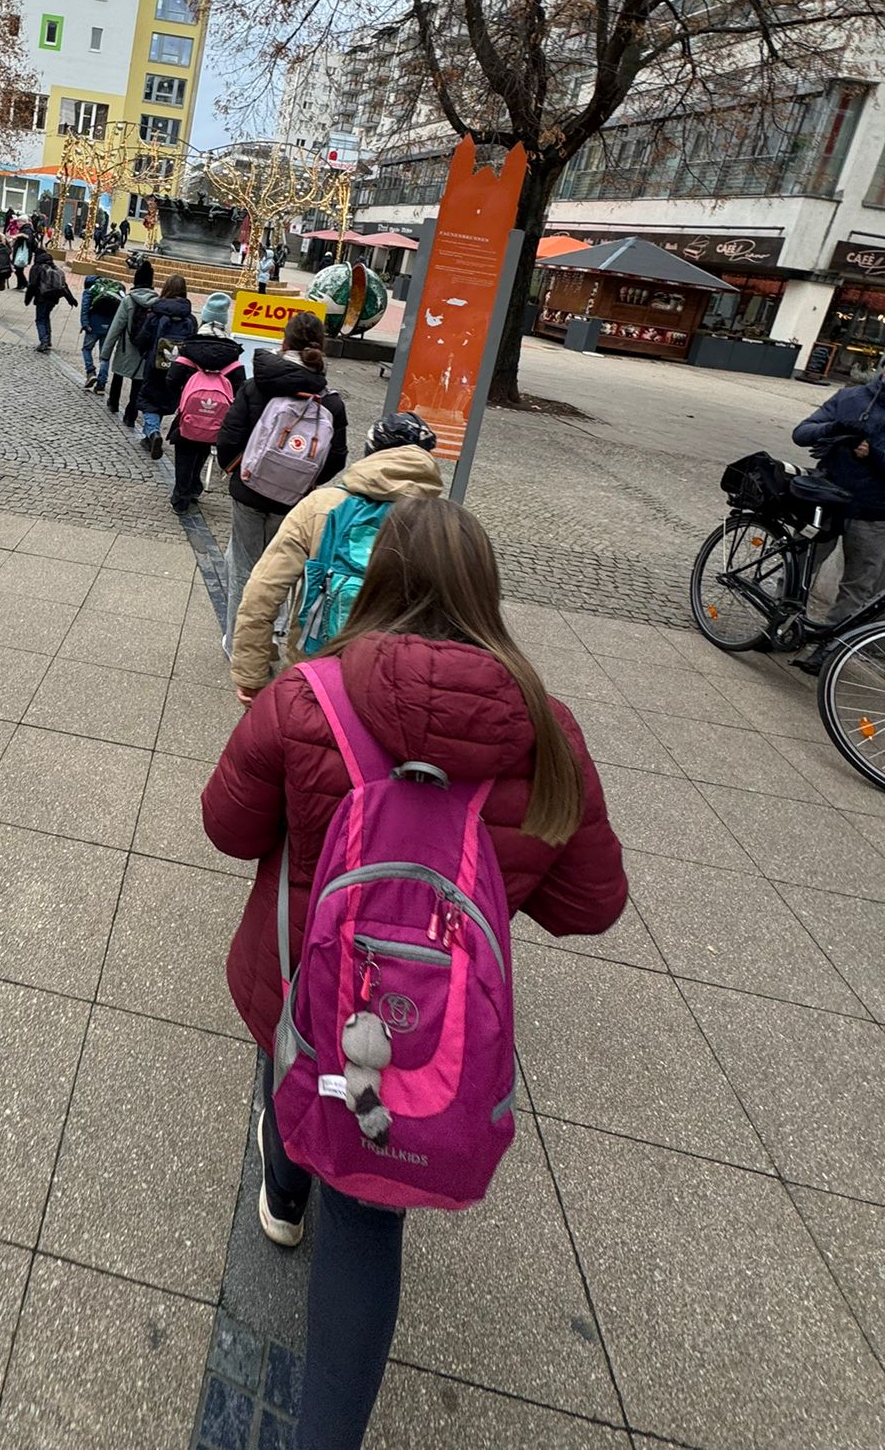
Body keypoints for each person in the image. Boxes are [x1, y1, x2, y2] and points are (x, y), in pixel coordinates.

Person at [202, 497, 628, 1449]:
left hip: (300, 979)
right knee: (369, 1226)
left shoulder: (306, 698)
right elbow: (590, 903)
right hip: (425, 1026)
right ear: (488, 594)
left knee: (289, 1060)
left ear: (376, 577)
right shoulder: (548, 732)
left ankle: (284, 1193)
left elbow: (226, 826)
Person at [230, 413, 442, 700]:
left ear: (370, 451)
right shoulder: (440, 523)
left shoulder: (321, 505)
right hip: (393, 682)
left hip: (314, 672)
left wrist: (251, 676)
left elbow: (262, 593)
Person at [216, 310, 348, 655]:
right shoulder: (331, 401)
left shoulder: (257, 385)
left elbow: (229, 435)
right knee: (281, 568)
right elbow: (336, 458)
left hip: (248, 490)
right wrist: (303, 481)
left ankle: (240, 644)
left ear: (285, 341)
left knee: (243, 566)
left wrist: (235, 469)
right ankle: (274, 633)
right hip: (292, 500)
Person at [792, 372, 885, 667]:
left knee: (857, 586)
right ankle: (784, 626)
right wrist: (833, 428)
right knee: (799, 567)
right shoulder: (850, 397)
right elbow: (801, 433)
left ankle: (831, 649)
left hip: (873, 513)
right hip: (826, 501)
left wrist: (873, 455)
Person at [161, 290, 244, 511]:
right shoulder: (232, 353)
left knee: (185, 450)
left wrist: (185, 394)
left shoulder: (190, 347)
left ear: (205, 317)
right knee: (202, 446)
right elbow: (240, 388)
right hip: (216, 416)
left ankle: (181, 495)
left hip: (188, 413)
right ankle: (193, 487)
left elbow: (172, 379)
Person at [133, 273, 197, 456]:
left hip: (154, 365)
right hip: (178, 368)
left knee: (149, 400)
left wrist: (144, 351)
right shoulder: (190, 318)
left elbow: (143, 338)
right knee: (163, 400)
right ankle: (151, 436)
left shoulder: (155, 314)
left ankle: (153, 432)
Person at [100, 258, 159, 427]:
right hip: (144, 350)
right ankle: (131, 415)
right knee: (138, 383)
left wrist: (105, 353)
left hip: (126, 347)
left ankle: (113, 402)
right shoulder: (156, 303)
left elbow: (116, 327)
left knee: (118, 374)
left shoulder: (128, 300)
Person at [79, 271, 123, 392]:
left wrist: (85, 324)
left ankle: (90, 372)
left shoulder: (90, 290)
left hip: (93, 325)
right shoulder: (111, 290)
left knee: (86, 349)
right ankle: (101, 384)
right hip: (109, 327)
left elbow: (85, 308)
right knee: (104, 356)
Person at [27, 249, 77, 352]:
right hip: (53, 298)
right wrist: (71, 299)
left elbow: (32, 285)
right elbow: (64, 286)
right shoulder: (55, 268)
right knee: (46, 317)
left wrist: (28, 299)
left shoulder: (37, 268)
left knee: (40, 319)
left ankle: (44, 341)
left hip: (42, 297)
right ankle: (48, 339)